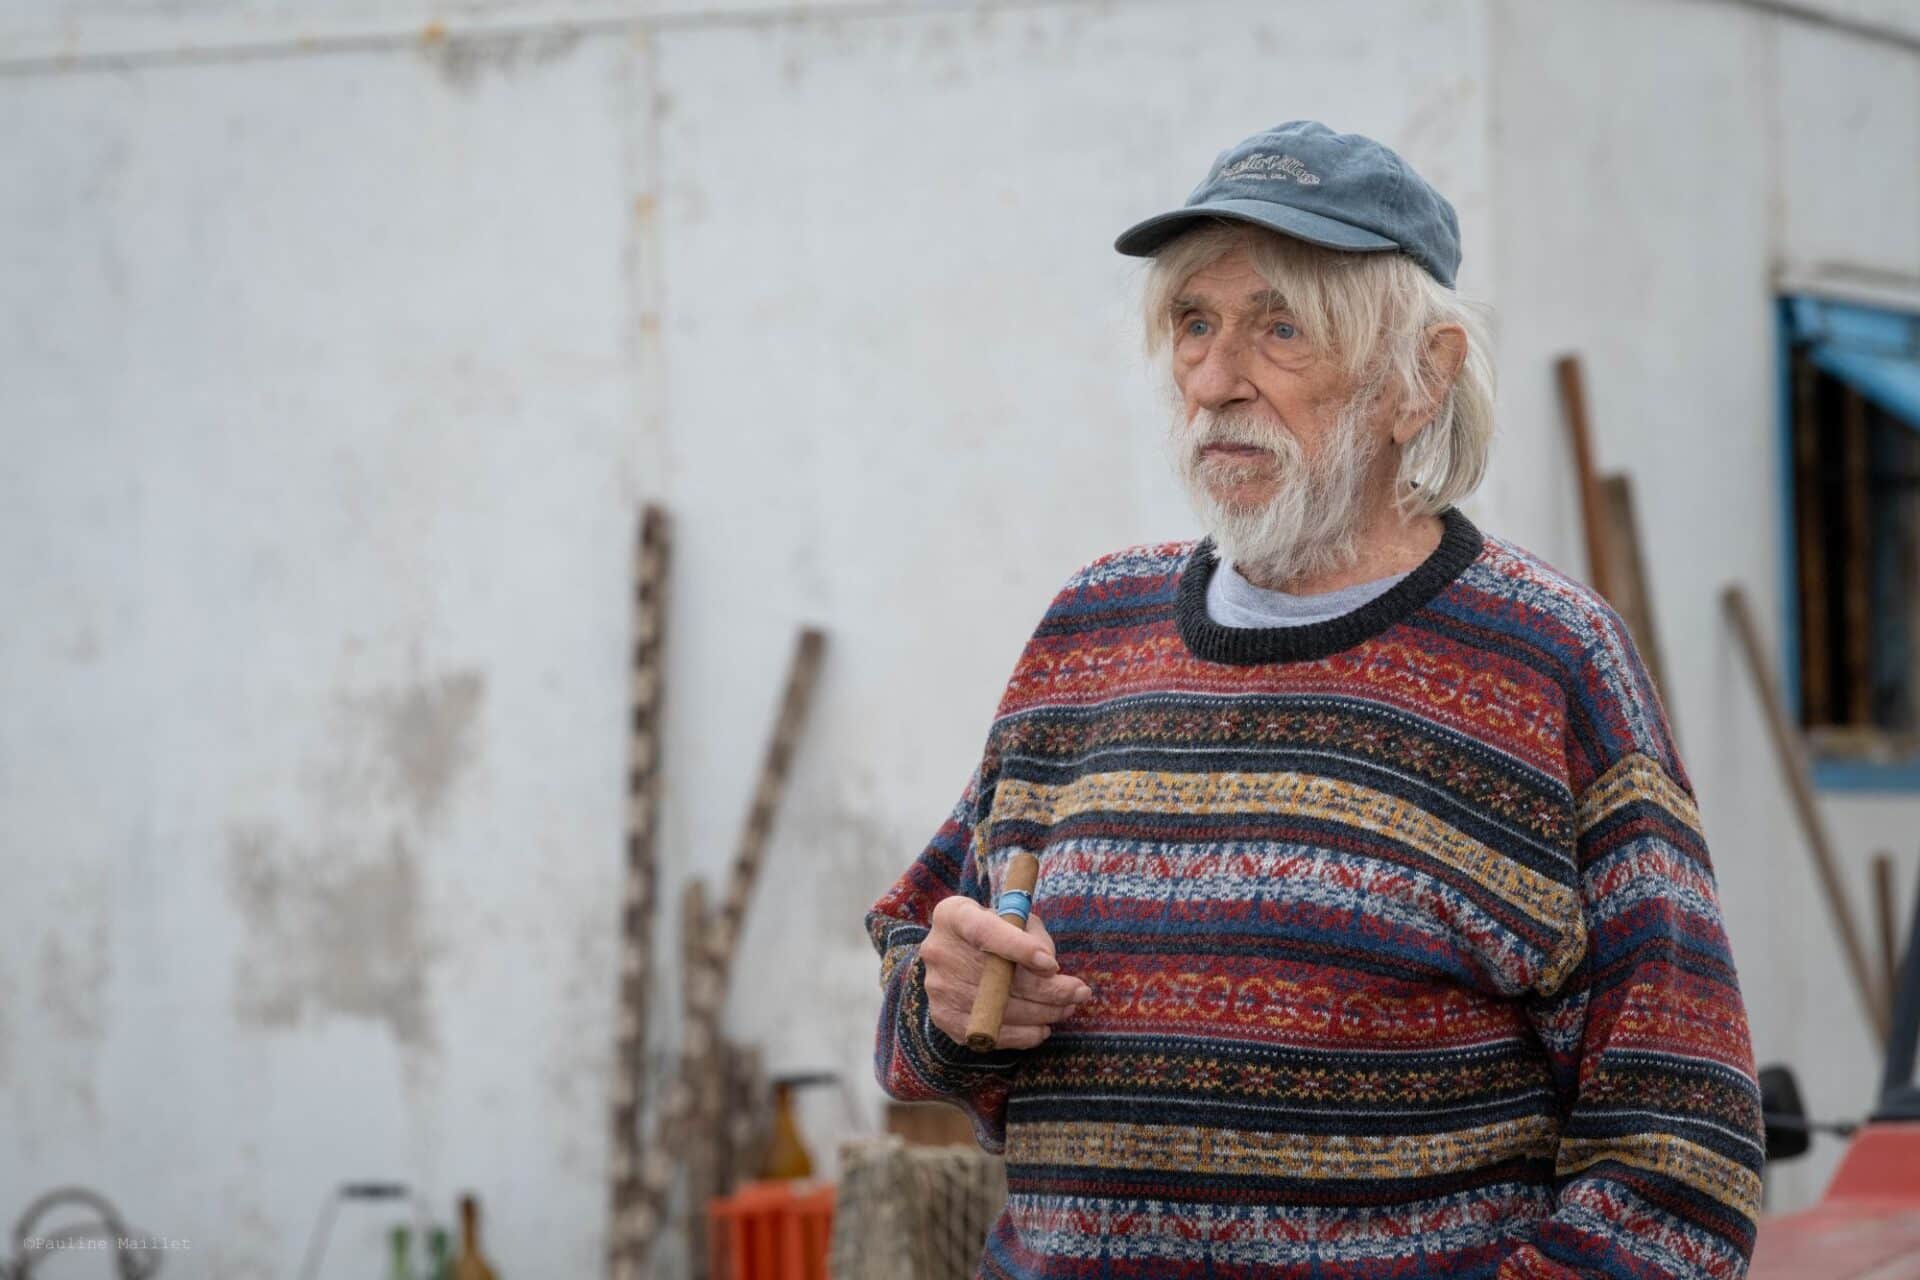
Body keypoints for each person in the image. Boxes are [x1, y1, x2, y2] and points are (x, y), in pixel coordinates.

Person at [866, 120, 1763, 1280]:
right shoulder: (1090, 628)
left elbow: (1680, 1149)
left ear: (1418, 379)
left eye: (1279, 327)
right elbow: (917, 991)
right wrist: (943, 1003)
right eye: (1195, 323)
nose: (1216, 379)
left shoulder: (1549, 661)